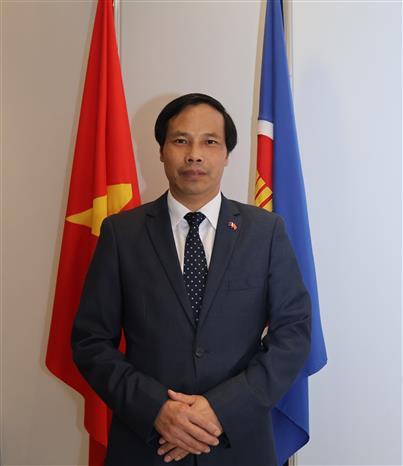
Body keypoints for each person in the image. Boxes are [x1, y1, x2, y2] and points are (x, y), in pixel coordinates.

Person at [71, 93, 311, 466]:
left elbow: (293, 334)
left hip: (239, 445)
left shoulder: (266, 233)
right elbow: (91, 341)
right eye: (181, 140)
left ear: (227, 154)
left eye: (209, 142)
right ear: (161, 151)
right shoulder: (122, 234)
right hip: (146, 446)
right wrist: (156, 409)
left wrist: (221, 409)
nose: (194, 155)